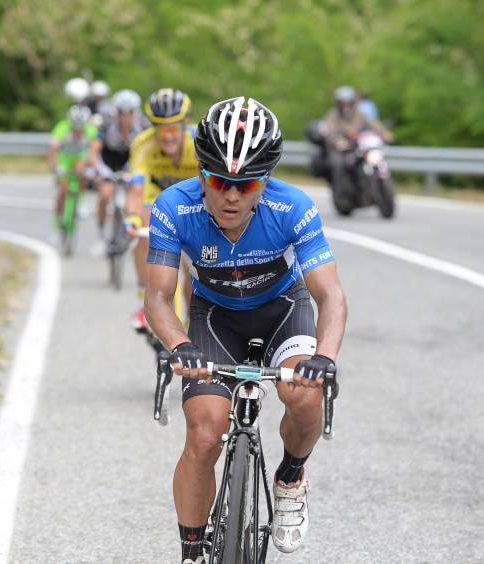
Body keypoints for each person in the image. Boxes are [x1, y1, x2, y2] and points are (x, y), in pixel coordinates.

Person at [144, 96, 348, 563]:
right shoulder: (174, 208)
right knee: (204, 432)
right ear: (200, 173)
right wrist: (179, 346)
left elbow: (331, 296)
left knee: (303, 394)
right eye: (218, 181)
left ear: (266, 179)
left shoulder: (293, 208)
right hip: (214, 319)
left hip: (281, 311)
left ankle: (291, 476)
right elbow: (157, 297)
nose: (231, 196)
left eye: (246, 184)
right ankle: (193, 553)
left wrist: (327, 357)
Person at [125, 88, 199, 332]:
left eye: (173, 128)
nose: (167, 136)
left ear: (184, 125)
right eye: (161, 128)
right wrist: (132, 218)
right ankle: (142, 299)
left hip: (191, 199)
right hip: (155, 197)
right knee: (144, 232)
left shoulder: (199, 142)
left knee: (196, 262)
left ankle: (193, 316)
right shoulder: (143, 144)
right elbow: (136, 191)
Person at [86, 89, 148, 253]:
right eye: (122, 112)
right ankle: (101, 234)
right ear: (116, 112)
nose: (126, 117)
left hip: (131, 160)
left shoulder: (143, 125)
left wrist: (137, 172)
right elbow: (93, 151)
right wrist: (99, 169)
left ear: (136, 112)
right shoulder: (106, 123)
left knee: (135, 194)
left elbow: (146, 154)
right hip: (109, 159)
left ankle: (128, 230)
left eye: (130, 113)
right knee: (105, 194)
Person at [325, 86, 393, 201]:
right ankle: (342, 191)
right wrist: (338, 141)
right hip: (341, 149)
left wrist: (383, 132)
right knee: (338, 163)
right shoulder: (333, 115)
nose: (346, 105)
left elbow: (372, 123)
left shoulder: (359, 114)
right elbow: (330, 131)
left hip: (358, 146)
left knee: (372, 156)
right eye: (343, 103)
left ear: (353, 103)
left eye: (348, 102)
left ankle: (370, 184)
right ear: (338, 104)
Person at [47, 105, 97, 227]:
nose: (78, 131)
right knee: (63, 189)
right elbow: (52, 150)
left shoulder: (91, 130)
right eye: (75, 128)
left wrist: (91, 167)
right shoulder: (61, 128)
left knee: (82, 172)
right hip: (63, 158)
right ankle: (57, 223)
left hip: (79, 157)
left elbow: (93, 151)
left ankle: (80, 202)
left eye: (80, 128)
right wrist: (55, 167)